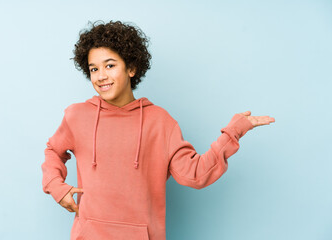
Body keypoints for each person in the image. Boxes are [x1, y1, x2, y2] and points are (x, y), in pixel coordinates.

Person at [41, 20, 275, 240]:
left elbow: (195, 174)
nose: (101, 76)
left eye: (110, 65)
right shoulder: (77, 115)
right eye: (93, 69)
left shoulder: (160, 121)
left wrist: (233, 133)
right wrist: (56, 186)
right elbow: (53, 151)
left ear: (131, 68)